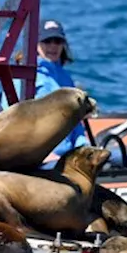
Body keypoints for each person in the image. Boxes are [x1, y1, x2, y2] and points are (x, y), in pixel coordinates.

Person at [33, 18, 92, 164]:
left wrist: (83, 147)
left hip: (69, 154)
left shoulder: (65, 78)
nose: (53, 46)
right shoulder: (25, 78)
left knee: (125, 160)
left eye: (57, 41)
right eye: (47, 41)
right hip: (44, 158)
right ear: (35, 44)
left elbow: (75, 121)